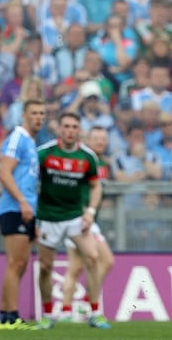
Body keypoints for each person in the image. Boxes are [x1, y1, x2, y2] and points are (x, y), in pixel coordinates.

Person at [34, 112, 109, 330]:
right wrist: (32, 214)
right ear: (59, 129)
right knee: (46, 267)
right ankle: (48, 315)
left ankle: (95, 312)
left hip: (76, 217)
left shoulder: (87, 157)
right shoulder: (45, 153)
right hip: (48, 217)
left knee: (93, 258)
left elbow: (96, 186)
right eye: (66, 126)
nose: (70, 130)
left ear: (79, 130)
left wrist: (91, 212)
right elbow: (28, 179)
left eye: (74, 126)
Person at [0, 99, 45, 331]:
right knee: (16, 263)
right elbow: (4, 173)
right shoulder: (18, 137)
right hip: (14, 208)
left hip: (25, 210)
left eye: (42, 114)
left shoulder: (31, 142)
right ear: (24, 114)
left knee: (20, 264)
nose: (39, 118)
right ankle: (11, 316)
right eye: (34, 113)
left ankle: (5, 317)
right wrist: (23, 202)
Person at [58, 126, 115, 323]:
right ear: (88, 140)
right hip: (81, 218)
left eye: (103, 138)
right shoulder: (83, 159)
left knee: (76, 267)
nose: (101, 141)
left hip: (88, 219)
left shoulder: (101, 163)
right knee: (104, 260)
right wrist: (83, 212)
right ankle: (84, 306)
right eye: (96, 138)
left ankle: (67, 310)